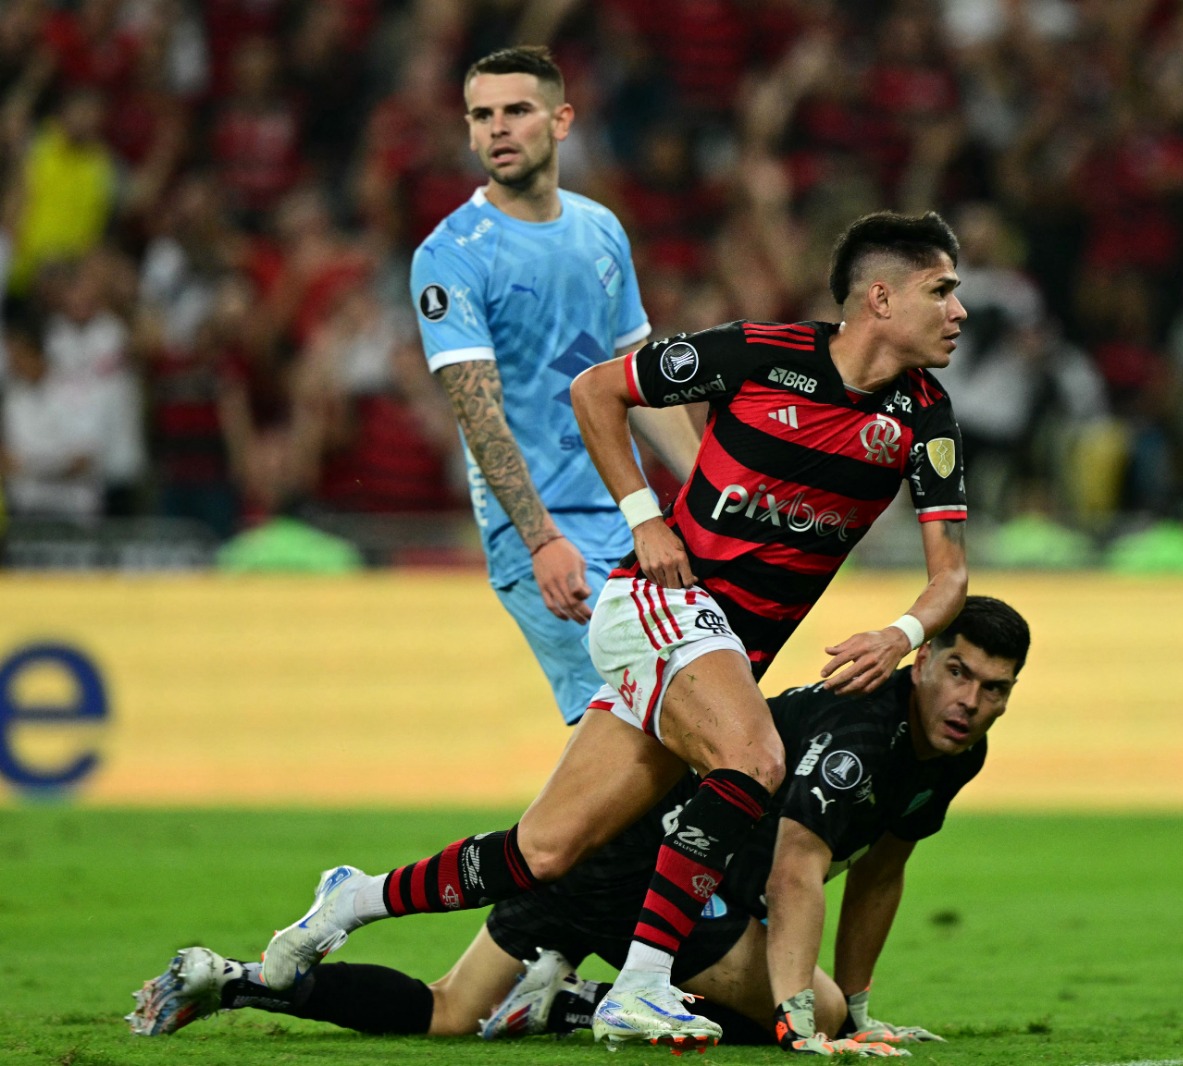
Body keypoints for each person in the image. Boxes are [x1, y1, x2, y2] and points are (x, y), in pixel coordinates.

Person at [259, 209, 971, 1051]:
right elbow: (598, 388)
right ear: (881, 298)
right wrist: (643, 518)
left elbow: (950, 576)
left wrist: (900, 632)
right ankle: (638, 987)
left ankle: (353, 898)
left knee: (546, 853)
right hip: (659, 606)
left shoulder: (924, 413)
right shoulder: (758, 352)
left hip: (716, 657)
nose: (960, 311)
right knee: (756, 758)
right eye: (942, 290)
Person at [130, 598, 1029, 1057]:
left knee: (449, 1014)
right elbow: (799, 873)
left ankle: (234, 981)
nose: (970, 701)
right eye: (958, 674)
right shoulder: (862, 732)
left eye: (994, 690)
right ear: (922, 663)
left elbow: (881, 872)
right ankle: (579, 1002)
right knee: (808, 1001)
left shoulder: (956, 753)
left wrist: (866, 1012)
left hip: (657, 876)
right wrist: (813, 1020)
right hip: (661, 872)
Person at [409, 44, 698, 725]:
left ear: (562, 121)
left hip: (631, 520)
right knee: (650, 726)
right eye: (481, 116)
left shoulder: (600, 230)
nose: (496, 129)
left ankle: (549, 840)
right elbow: (480, 417)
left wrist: (705, 491)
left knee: (662, 732)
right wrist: (540, 541)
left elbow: (636, 378)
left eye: (517, 111)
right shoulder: (451, 254)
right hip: (542, 534)